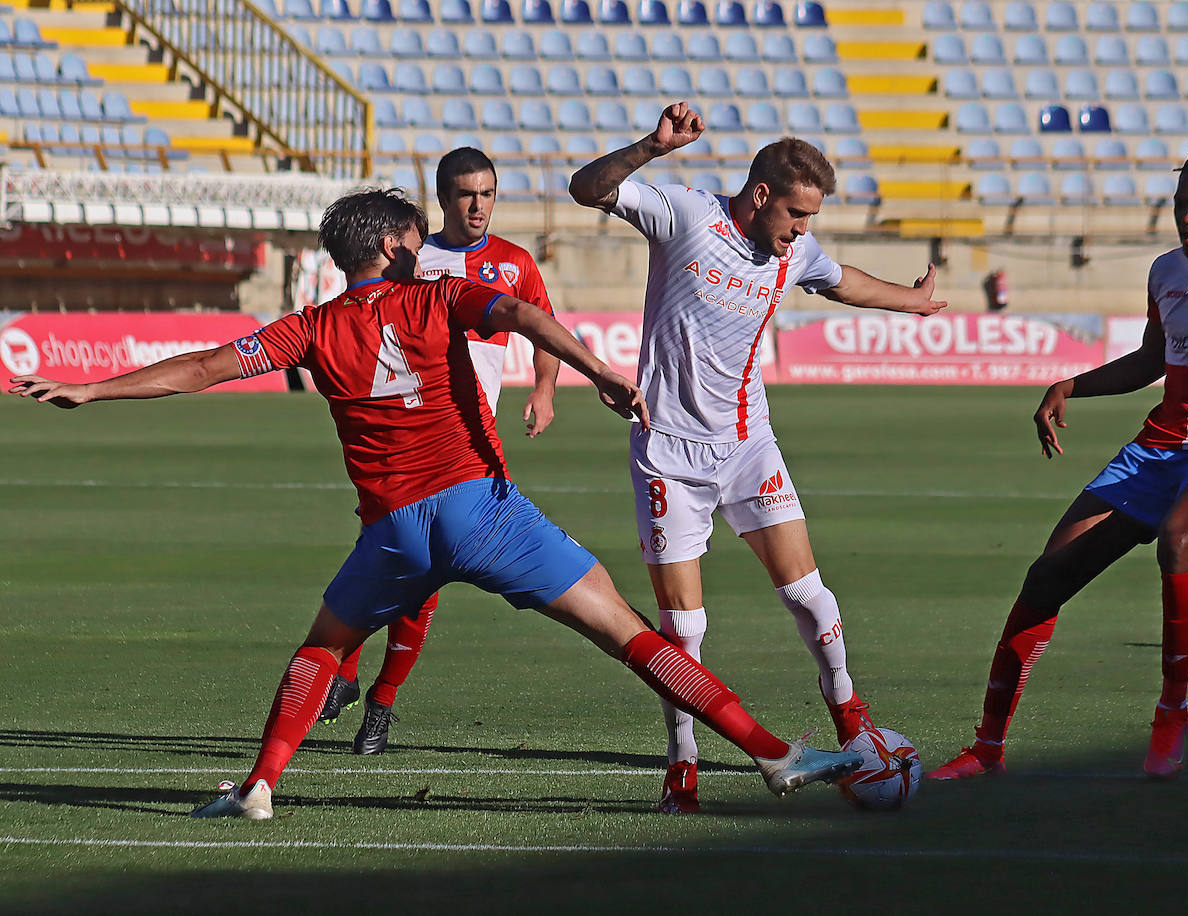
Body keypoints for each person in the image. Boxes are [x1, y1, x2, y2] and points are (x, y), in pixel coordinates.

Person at [8, 188, 862, 819]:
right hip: (482, 511)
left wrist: (92, 390)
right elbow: (522, 312)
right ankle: (774, 755)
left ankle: (262, 784)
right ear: (388, 244)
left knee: (322, 649)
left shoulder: (307, 327)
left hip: (393, 534)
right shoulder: (435, 297)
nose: (425, 248)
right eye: (414, 237)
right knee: (629, 632)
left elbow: (200, 367)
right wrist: (600, 371)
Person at [929, 130, 1188, 782]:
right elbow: (1153, 361)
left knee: (1178, 542)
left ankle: (1171, 712)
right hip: (1158, 450)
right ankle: (988, 749)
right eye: (1181, 202)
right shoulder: (1165, 273)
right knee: (1045, 579)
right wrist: (1071, 384)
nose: (1187, 215)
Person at [569, 103, 948, 813]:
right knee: (684, 631)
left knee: (810, 592)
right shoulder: (684, 215)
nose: (802, 233)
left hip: (748, 444)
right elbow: (586, 189)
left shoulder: (795, 252)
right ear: (762, 194)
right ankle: (683, 768)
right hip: (669, 455)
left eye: (811, 220)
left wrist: (911, 304)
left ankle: (847, 713)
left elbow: (842, 279)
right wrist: (652, 147)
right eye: (797, 214)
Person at [318, 148, 562, 757]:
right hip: (401, 431)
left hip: (465, 437)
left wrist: (544, 387)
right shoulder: (409, 259)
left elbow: (540, 324)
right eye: (465, 195)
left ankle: (379, 700)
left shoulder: (514, 262)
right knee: (391, 561)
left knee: (420, 576)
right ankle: (345, 675)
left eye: (487, 194)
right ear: (443, 199)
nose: (478, 206)